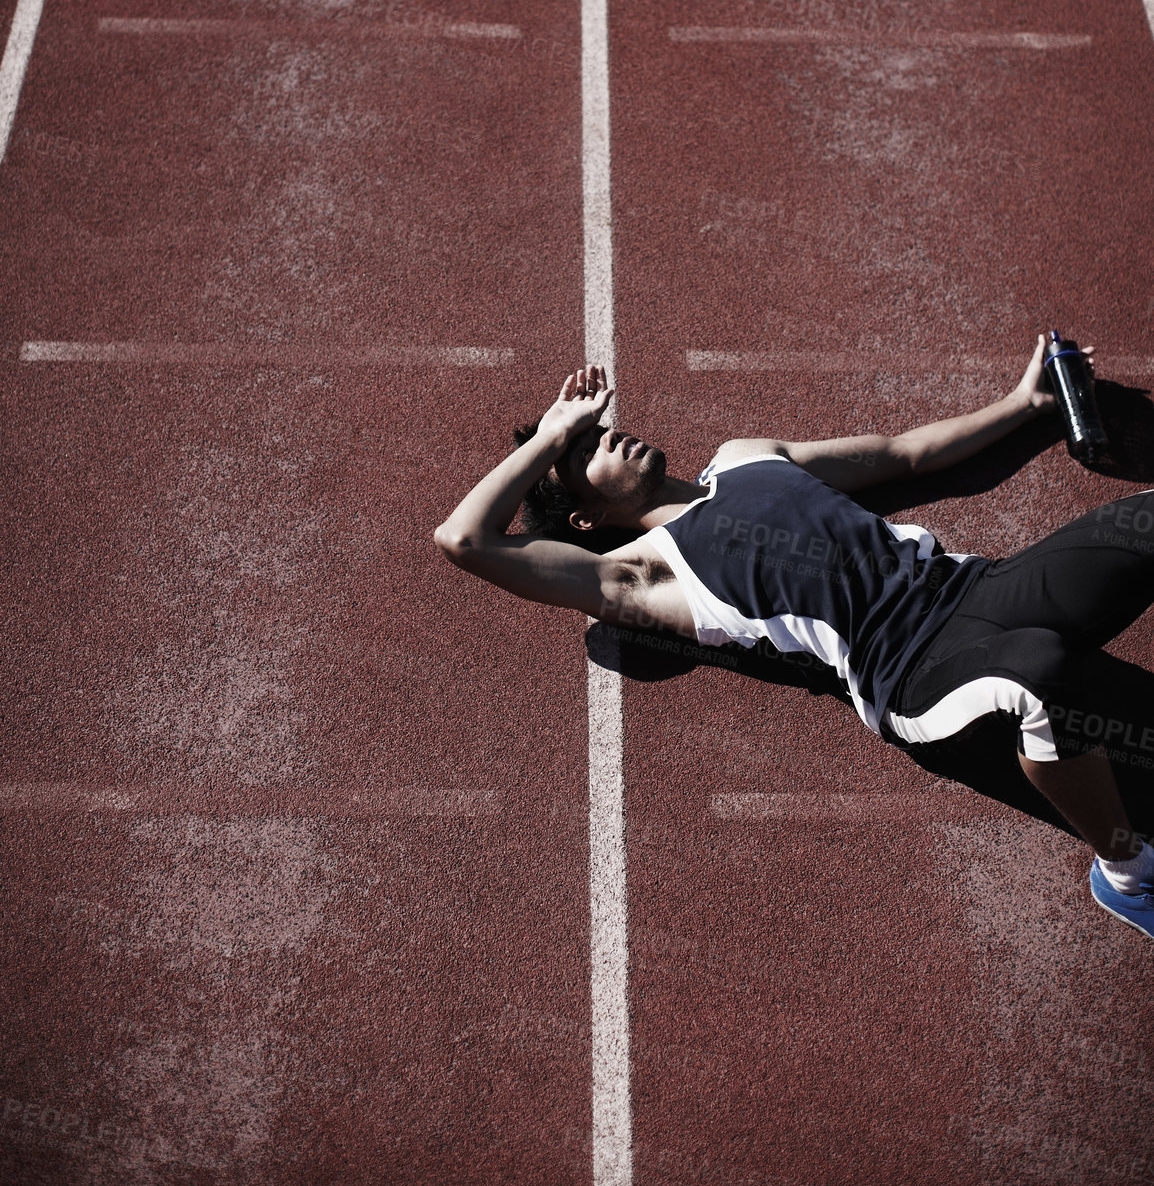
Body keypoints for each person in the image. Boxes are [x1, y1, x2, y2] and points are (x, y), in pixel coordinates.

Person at [434, 336, 1154, 941]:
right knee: (1040, 672)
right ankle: (1126, 875)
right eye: (585, 451)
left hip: (977, 587)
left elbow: (902, 455)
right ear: (585, 518)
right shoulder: (644, 576)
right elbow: (466, 540)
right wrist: (555, 431)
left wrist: (1022, 404)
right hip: (914, 671)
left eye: (595, 429)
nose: (605, 433)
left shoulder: (744, 457)